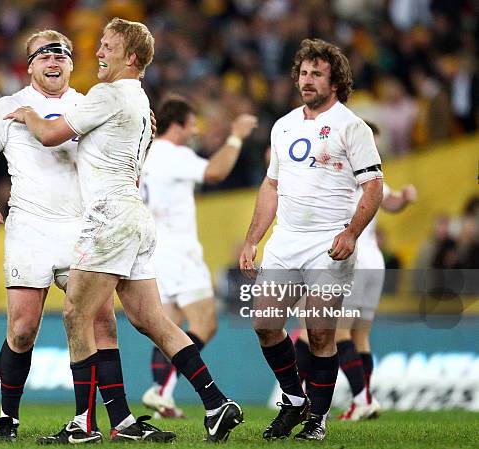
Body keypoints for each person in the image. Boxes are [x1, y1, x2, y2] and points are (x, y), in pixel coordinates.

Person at [5, 18, 243, 444]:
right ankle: (216, 402)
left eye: (108, 46)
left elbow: (52, 134)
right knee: (151, 318)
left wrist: (27, 115)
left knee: (77, 313)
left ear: (131, 58)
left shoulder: (109, 93)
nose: (98, 53)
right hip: (135, 218)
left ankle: (83, 424)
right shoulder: (137, 101)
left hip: (108, 218)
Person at [0, 29, 167, 443]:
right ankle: (8, 416)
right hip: (29, 228)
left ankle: (119, 419)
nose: (53, 62)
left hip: (81, 226)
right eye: (44, 56)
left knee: (102, 323)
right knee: (22, 328)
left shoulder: (88, 102)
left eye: (61, 56)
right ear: (30, 65)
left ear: (72, 64)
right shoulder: (8, 107)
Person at [239, 38, 383, 441]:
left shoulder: (351, 127)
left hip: (327, 243)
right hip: (285, 240)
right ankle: (294, 398)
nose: (307, 80)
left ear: (334, 81)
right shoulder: (282, 125)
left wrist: (351, 232)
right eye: (303, 73)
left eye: (317, 73)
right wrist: (253, 240)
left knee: (320, 332)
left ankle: (316, 421)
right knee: (265, 323)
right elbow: (271, 186)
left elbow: (373, 187)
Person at [139, 96, 257, 419]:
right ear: (177, 124)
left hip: (152, 249)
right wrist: (235, 136)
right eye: (192, 122)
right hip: (180, 251)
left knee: (169, 325)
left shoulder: (146, 154)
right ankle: (161, 390)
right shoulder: (176, 154)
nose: (196, 129)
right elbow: (216, 172)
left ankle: (161, 394)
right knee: (207, 322)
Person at [294, 123, 418, 421]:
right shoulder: (373, 175)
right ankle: (361, 397)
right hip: (374, 261)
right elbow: (393, 202)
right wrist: (407, 198)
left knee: (335, 332)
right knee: (360, 336)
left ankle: (360, 399)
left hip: (351, 258)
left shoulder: (339, 172)